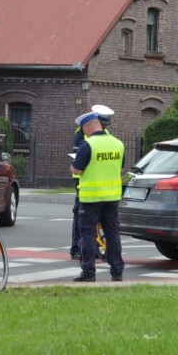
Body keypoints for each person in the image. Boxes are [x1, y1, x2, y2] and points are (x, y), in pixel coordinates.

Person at [70, 112, 125, 282]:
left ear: (87, 128)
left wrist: (72, 167)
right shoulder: (118, 144)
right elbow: (121, 167)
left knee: (87, 234)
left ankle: (88, 272)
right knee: (112, 233)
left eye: (83, 130)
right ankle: (117, 271)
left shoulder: (88, 145)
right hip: (112, 197)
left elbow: (77, 170)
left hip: (90, 199)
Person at [69, 104, 114, 260]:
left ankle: (94, 247)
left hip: (100, 181)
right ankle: (76, 248)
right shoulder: (81, 133)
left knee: (98, 218)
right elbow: (77, 158)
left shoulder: (105, 133)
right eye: (103, 123)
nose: (105, 126)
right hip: (83, 181)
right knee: (80, 215)